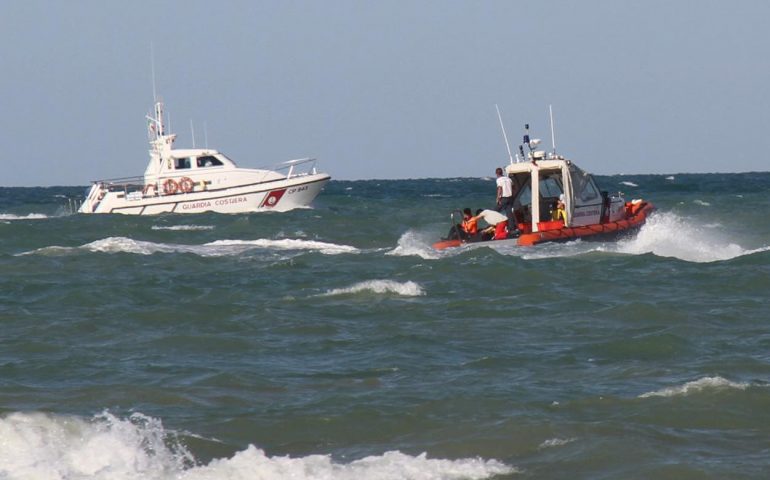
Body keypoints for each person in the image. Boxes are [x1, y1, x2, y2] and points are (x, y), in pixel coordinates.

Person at [495, 167, 515, 233]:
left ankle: (496, 225)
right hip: (510, 197)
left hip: (504, 198)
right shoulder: (509, 179)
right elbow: (513, 187)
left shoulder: (499, 180)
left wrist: (498, 198)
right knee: (509, 213)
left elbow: (500, 189)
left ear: (497, 174)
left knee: (495, 211)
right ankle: (511, 228)